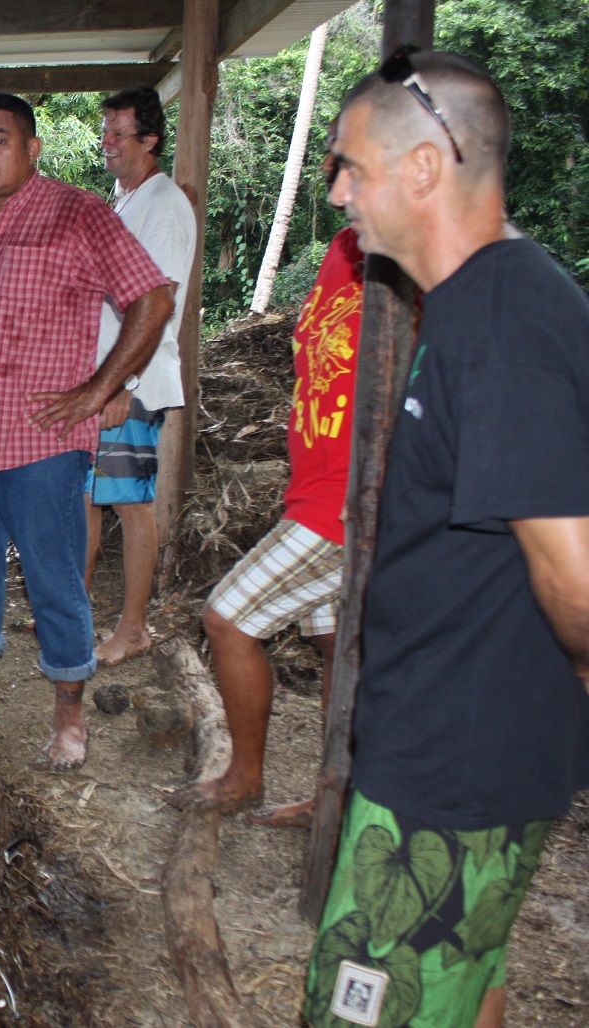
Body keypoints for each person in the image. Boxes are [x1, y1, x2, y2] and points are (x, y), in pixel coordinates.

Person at [301, 50, 589, 1028]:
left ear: (422, 167)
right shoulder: (478, 304)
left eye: (348, 165)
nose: (336, 190)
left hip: (452, 772)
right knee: (466, 986)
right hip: (451, 750)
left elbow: (572, 573)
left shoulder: (500, 326)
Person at [0, 94, 173, 769]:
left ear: (32, 148)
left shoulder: (79, 214)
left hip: (39, 436)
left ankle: (70, 716)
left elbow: (152, 298)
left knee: (54, 575)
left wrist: (100, 390)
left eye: (0, 139)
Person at [167, 224, 364, 826]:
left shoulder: (408, 255)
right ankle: (335, 798)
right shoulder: (343, 246)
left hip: (350, 503)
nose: (340, 183)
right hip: (314, 486)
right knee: (338, 649)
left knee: (227, 618)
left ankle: (245, 777)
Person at [82, 86, 197, 666]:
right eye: (104, 132)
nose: (106, 143)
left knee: (130, 505)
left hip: (133, 385)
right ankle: (73, 614)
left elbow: (161, 302)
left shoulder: (164, 206)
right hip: (102, 382)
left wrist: (125, 385)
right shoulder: (123, 200)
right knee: (85, 500)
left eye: (117, 134)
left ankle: (133, 628)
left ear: (149, 140)